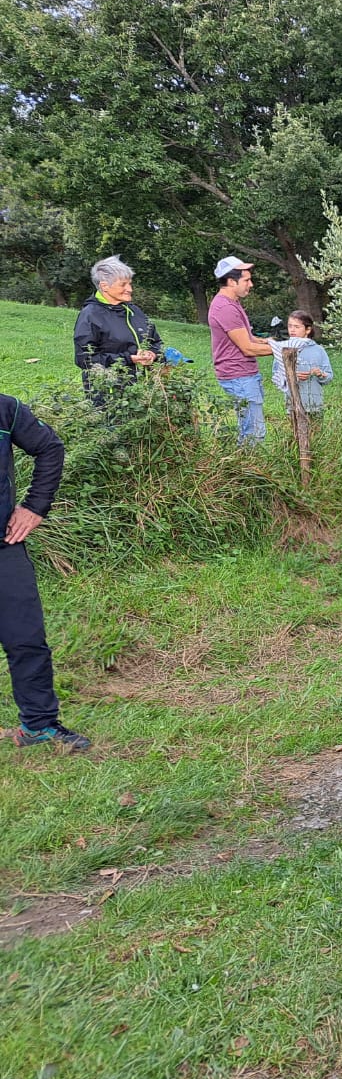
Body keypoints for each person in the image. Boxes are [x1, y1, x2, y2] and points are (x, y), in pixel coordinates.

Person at [2, 393, 89, 752]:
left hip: (3, 547)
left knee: (26, 638)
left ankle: (38, 725)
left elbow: (50, 447)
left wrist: (35, 507)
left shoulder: (5, 409)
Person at [73, 255, 161, 402]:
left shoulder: (135, 312)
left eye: (130, 284)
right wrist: (128, 359)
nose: (130, 289)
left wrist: (152, 354)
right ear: (104, 286)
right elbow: (85, 359)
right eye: (123, 284)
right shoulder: (90, 316)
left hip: (143, 394)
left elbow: (156, 342)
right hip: (110, 397)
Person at [208, 256, 274, 444]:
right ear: (231, 281)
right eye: (246, 280)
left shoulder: (233, 303)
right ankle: (247, 470)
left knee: (252, 429)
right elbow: (247, 348)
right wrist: (283, 350)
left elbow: (248, 338)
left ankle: (245, 467)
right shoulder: (224, 307)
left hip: (244, 374)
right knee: (254, 432)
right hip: (238, 376)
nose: (251, 284)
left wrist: (268, 342)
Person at [270, 311, 333, 414]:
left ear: (308, 329)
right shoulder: (283, 349)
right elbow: (276, 376)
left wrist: (320, 374)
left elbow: (329, 376)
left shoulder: (318, 350)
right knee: (294, 429)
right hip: (292, 406)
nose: (292, 330)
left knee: (315, 430)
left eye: (297, 327)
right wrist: (292, 376)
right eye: (290, 326)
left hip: (315, 405)